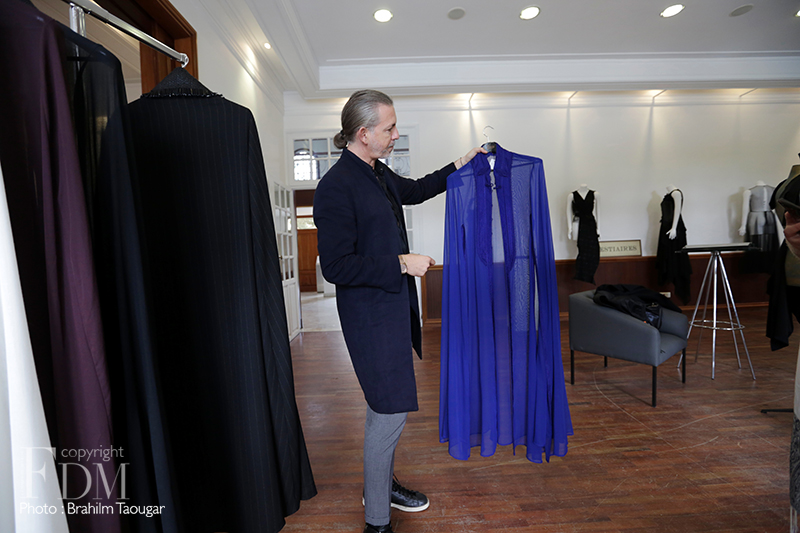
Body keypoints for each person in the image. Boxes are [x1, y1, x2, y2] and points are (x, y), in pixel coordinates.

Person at [313, 89, 485, 533]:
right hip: (369, 318)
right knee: (389, 411)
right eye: (389, 128)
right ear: (363, 132)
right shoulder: (335, 186)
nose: (395, 134)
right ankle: (376, 522)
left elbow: (417, 189)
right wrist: (401, 264)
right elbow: (335, 266)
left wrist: (462, 164)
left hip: (390, 310)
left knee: (385, 408)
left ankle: (381, 485)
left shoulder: (377, 171)